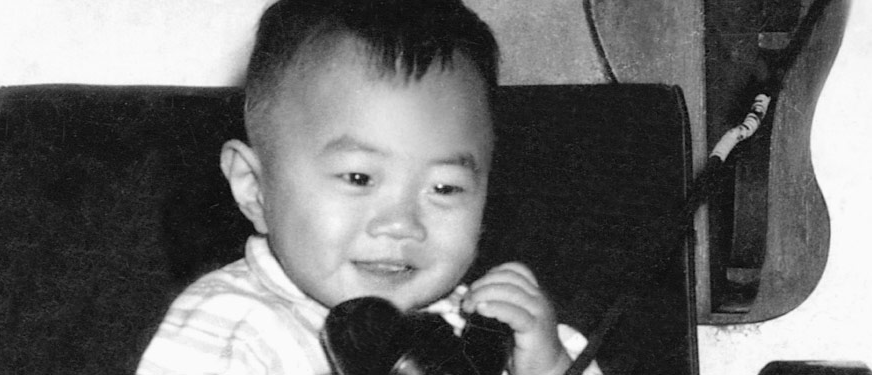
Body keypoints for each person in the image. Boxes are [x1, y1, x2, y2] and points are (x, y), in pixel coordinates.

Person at [137, 0, 598, 374]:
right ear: (254, 187)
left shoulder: (495, 330)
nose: (401, 224)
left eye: (445, 188)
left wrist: (550, 365)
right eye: (359, 178)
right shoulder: (232, 328)